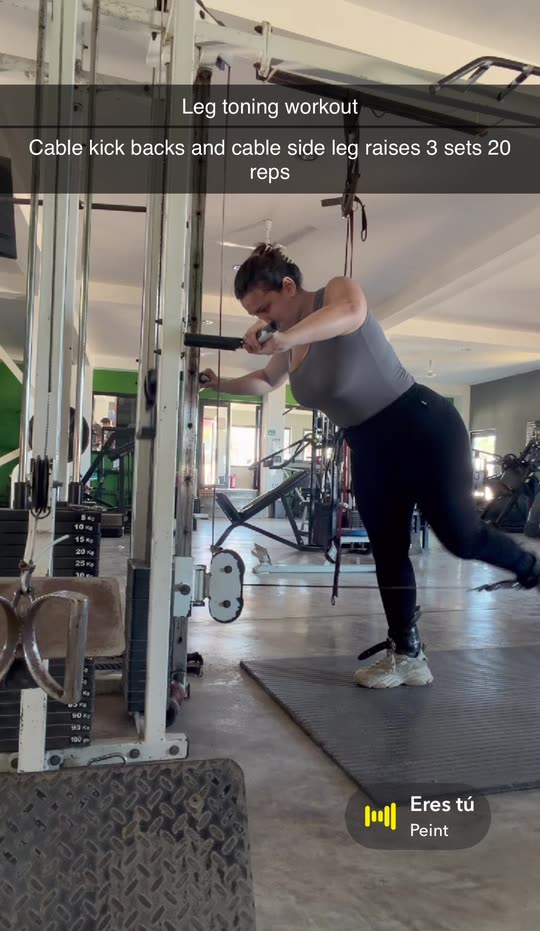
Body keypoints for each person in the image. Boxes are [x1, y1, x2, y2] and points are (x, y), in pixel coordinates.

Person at [200, 242, 540, 689]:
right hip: (369, 445)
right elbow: (266, 380)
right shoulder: (287, 339)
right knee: (388, 549)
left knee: (462, 538)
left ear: (288, 287)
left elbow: (351, 313)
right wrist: (216, 383)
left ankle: (531, 568)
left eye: (265, 308)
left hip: (422, 427)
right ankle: (407, 654)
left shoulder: (335, 294)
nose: (263, 319)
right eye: (255, 314)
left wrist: (286, 336)